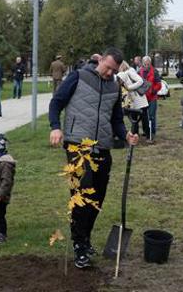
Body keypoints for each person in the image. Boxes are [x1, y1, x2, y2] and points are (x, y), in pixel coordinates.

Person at [48, 47, 138, 269]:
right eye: (108, 68)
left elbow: (116, 119)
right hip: (77, 145)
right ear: (101, 60)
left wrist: (125, 134)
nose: (109, 73)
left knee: (98, 198)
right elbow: (56, 102)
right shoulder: (78, 77)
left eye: (114, 70)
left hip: (102, 147)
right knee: (82, 194)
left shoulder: (115, 86)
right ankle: (79, 246)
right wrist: (55, 127)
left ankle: (85, 239)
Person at [116, 61, 149, 135]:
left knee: (144, 118)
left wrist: (129, 88)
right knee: (134, 119)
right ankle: (135, 134)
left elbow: (140, 81)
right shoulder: (121, 75)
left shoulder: (130, 72)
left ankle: (148, 135)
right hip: (132, 101)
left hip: (140, 99)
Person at [139, 56, 161, 141]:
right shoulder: (139, 72)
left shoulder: (155, 72)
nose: (146, 65)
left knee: (151, 116)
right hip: (143, 97)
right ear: (143, 63)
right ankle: (146, 131)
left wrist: (153, 90)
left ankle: (152, 132)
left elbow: (159, 84)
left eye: (148, 64)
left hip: (152, 97)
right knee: (144, 116)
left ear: (150, 63)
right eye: (145, 64)